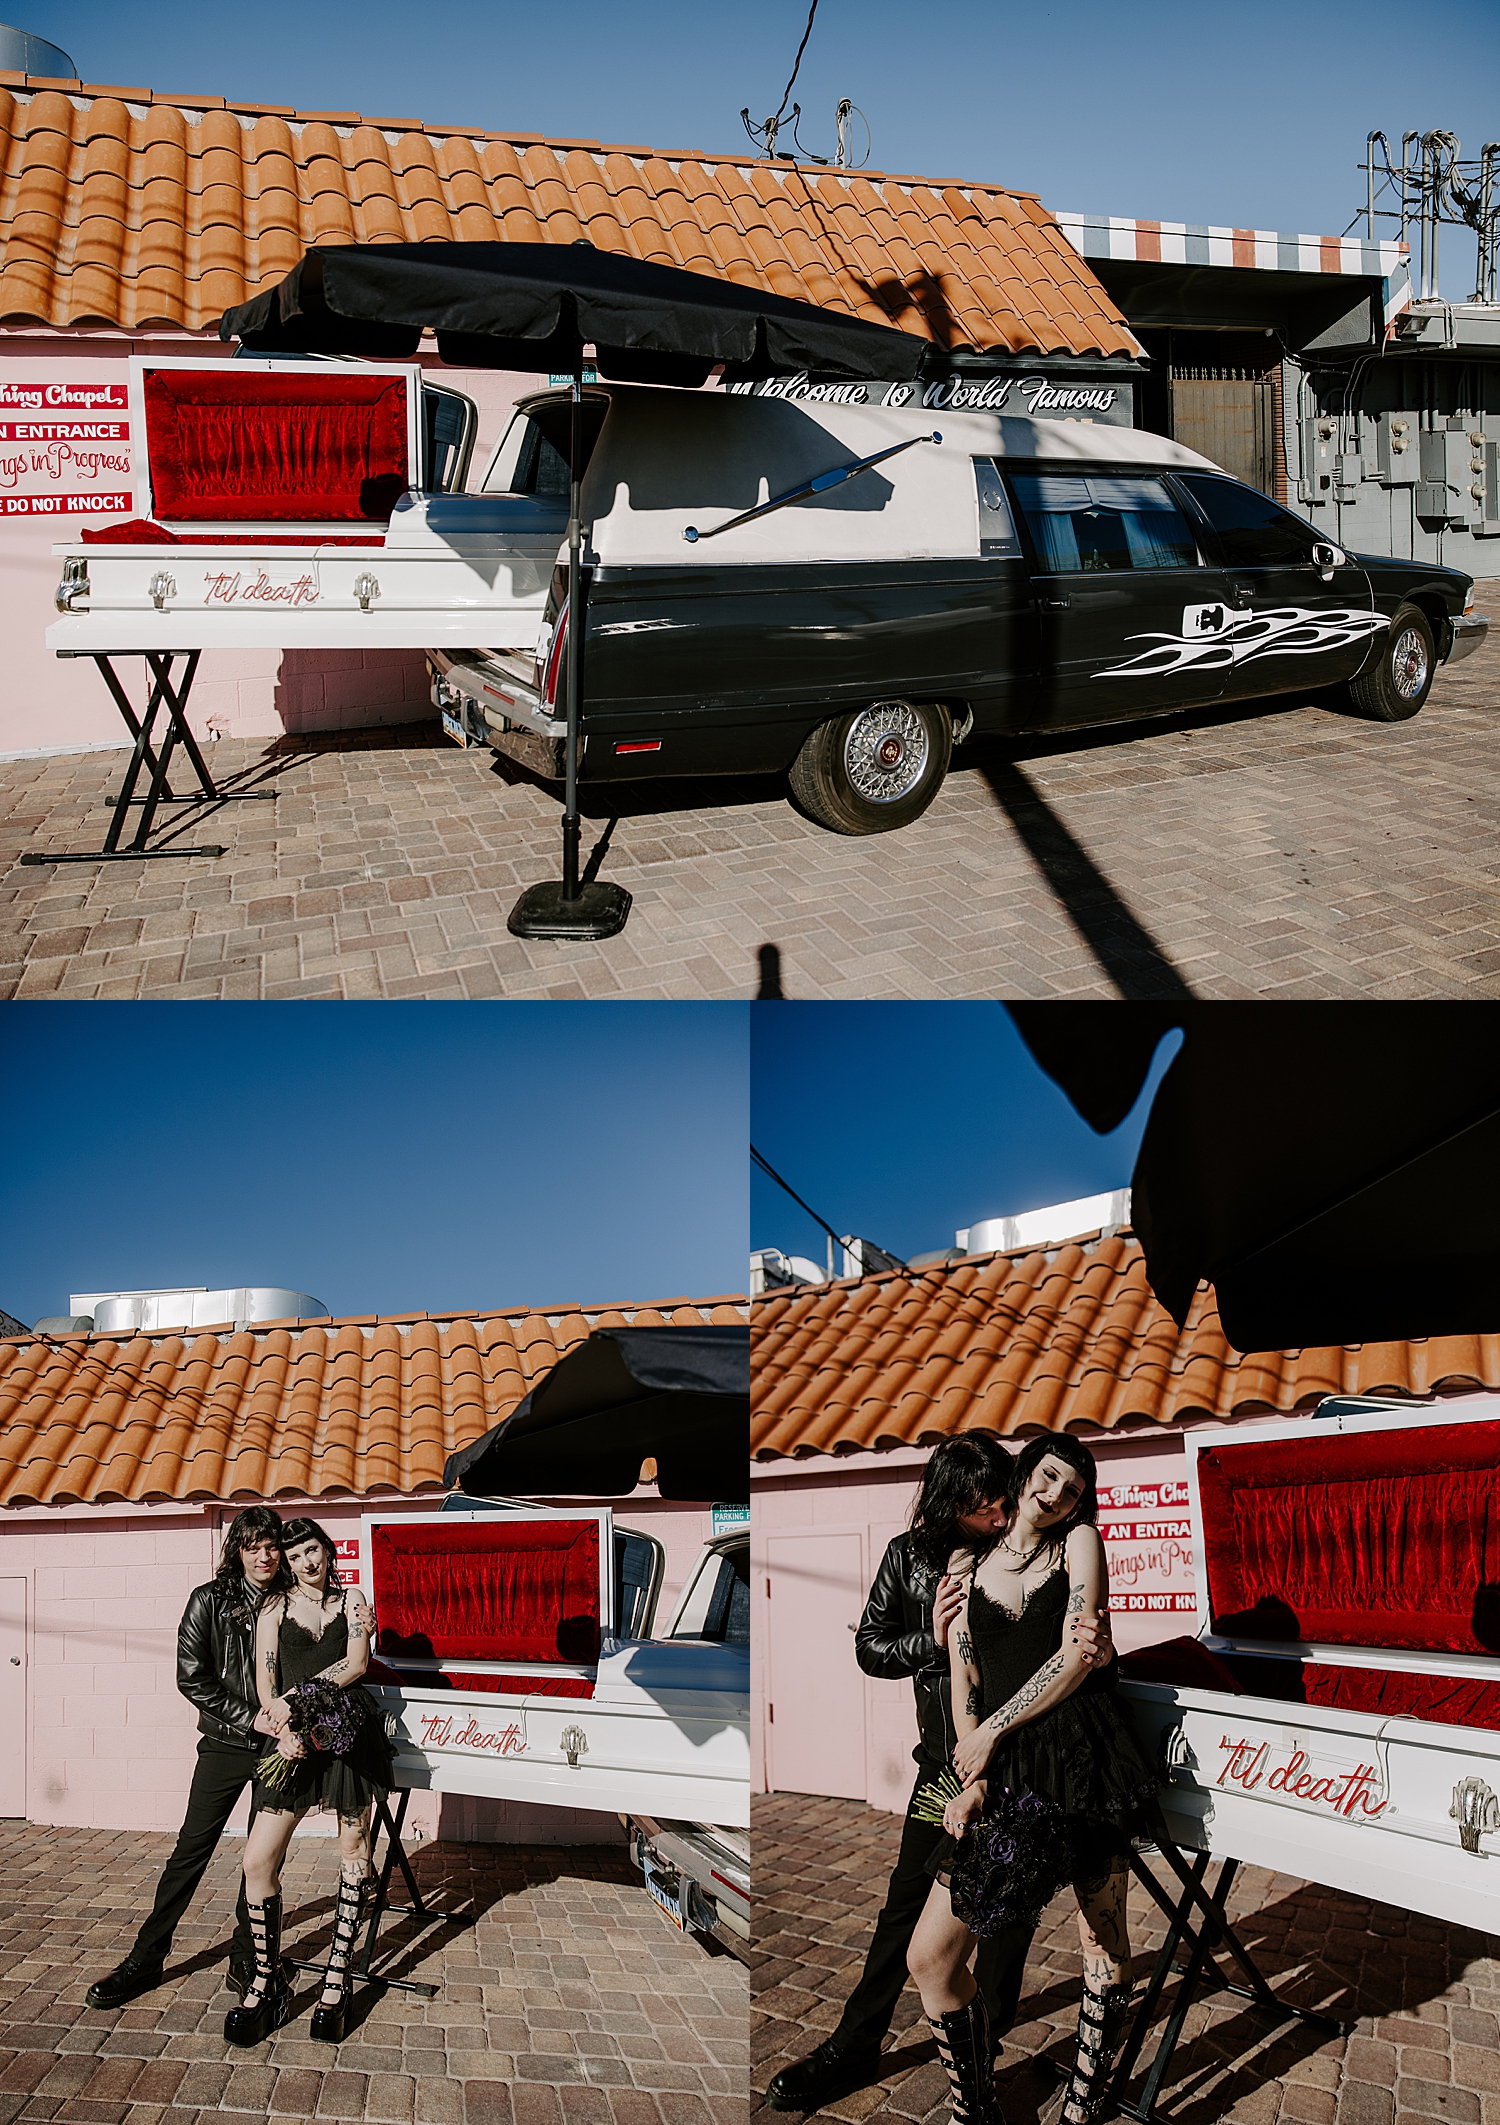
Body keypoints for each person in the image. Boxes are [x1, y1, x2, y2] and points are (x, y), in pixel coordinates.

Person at [765, 1434, 1114, 2115]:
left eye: (1001, 1497)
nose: (1001, 1509)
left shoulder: (1024, 1546)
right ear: (952, 1501)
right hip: (943, 1764)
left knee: (1007, 1916)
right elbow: (870, 1647)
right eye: (985, 1502)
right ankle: (856, 2043)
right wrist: (931, 1635)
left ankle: (986, 2039)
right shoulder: (909, 1557)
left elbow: (1059, 1634)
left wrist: (1099, 1644)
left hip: (1013, 1759)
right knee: (905, 1907)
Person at [906, 1435, 1160, 2125]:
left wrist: (992, 1732)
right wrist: (973, 1764)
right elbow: (966, 1681)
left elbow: (1078, 1656)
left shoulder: (1080, 1541)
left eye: (1073, 1487)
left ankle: (1083, 2101)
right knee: (930, 1957)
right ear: (1025, 1471)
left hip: (1082, 1757)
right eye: (1049, 1475)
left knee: (1101, 1940)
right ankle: (976, 2109)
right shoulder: (966, 1560)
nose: (1057, 1493)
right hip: (1000, 1767)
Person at [86, 1507, 290, 2009]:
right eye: (254, 1546)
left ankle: (248, 1958)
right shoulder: (209, 1600)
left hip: (278, 1750)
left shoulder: (294, 1602)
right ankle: (145, 1959)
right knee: (189, 1853)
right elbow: (191, 1677)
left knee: (262, 1861)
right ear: (238, 1551)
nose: (265, 1555)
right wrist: (249, 1717)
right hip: (224, 1743)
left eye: (272, 1546)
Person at [225, 1515, 394, 2048]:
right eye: (295, 1556)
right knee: (257, 1861)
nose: (306, 1563)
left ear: (329, 1550)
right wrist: (282, 1731)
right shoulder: (272, 1607)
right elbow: (264, 1683)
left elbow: (356, 1663)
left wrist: (300, 1699)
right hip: (294, 1740)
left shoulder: (353, 1602)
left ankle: (337, 1979)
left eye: (313, 1550)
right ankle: (263, 1982)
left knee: (353, 1848)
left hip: (345, 1734)